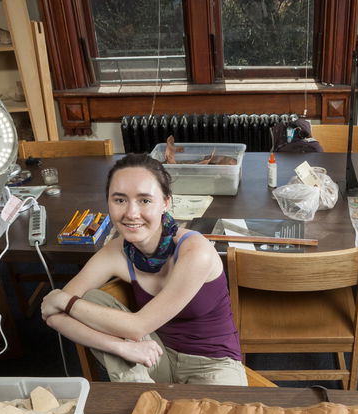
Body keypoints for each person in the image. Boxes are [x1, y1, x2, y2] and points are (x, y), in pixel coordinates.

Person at [41, 153, 247, 385]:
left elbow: (138, 327)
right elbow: (52, 315)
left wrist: (62, 299)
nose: (131, 213)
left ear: (166, 202)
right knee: (92, 299)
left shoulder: (195, 250)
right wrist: (119, 347)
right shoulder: (115, 251)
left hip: (213, 364)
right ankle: (142, 396)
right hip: (152, 354)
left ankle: (146, 403)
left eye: (144, 200)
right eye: (119, 200)